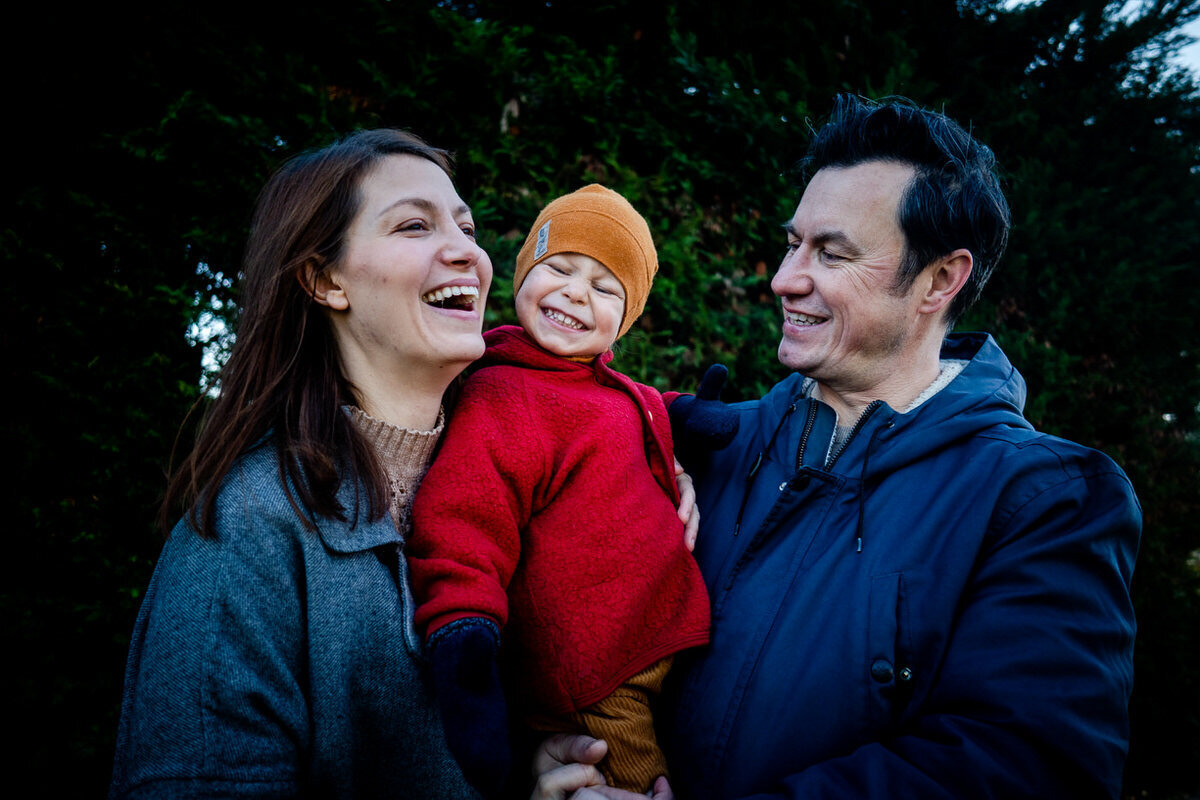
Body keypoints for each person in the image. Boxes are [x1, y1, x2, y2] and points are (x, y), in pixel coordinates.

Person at [654, 94, 1141, 798]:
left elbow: (1023, 769)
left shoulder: (1044, 499)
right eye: (793, 242)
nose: (784, 279)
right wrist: (569, 752)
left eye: (832, 252)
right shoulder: (708, 446)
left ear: (941, 280)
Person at [108, 129, 496, 798]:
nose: (467, 250)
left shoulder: (534, 488)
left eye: (466, 225)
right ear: (324, 280)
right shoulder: (246, 528)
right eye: (414, 225)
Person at [407, 185, 711, 797]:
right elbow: (464, 519)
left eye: (605, 288)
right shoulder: (505, 397)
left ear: (622, 322)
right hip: (594, 676)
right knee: (637, 782)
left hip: (650, 638)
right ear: (522, 275)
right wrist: (463, 628)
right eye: (560, 269)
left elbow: (646, 407)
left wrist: (696, 424)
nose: (576, 292)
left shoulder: (599, 386)